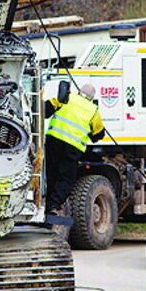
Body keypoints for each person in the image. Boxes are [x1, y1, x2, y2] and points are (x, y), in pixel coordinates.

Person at [44, 83, 105, 215]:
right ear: (91, 98)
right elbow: (98, 135)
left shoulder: (66, 98)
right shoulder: (93, 110)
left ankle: (44, 201)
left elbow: (45, 109)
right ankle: (53, 206)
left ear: (79, 91)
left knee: (50, 172)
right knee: (66, 178)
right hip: (72, 148)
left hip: (53, 141)